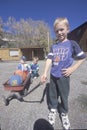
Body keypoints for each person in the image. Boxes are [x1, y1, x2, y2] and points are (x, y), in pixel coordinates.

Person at [41, 17, 86, 130]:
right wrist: (45, 73)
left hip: (64, 77)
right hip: (53, 75)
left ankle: (64, 113)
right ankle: (53, 110)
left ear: (67, 29)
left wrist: (73, 68)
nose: (59, 32)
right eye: (57, 31)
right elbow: (49, 60)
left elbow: (82, 58)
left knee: (64, 96)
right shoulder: (54, 46)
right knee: (52, 95)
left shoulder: (72, 44)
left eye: (62, 29)